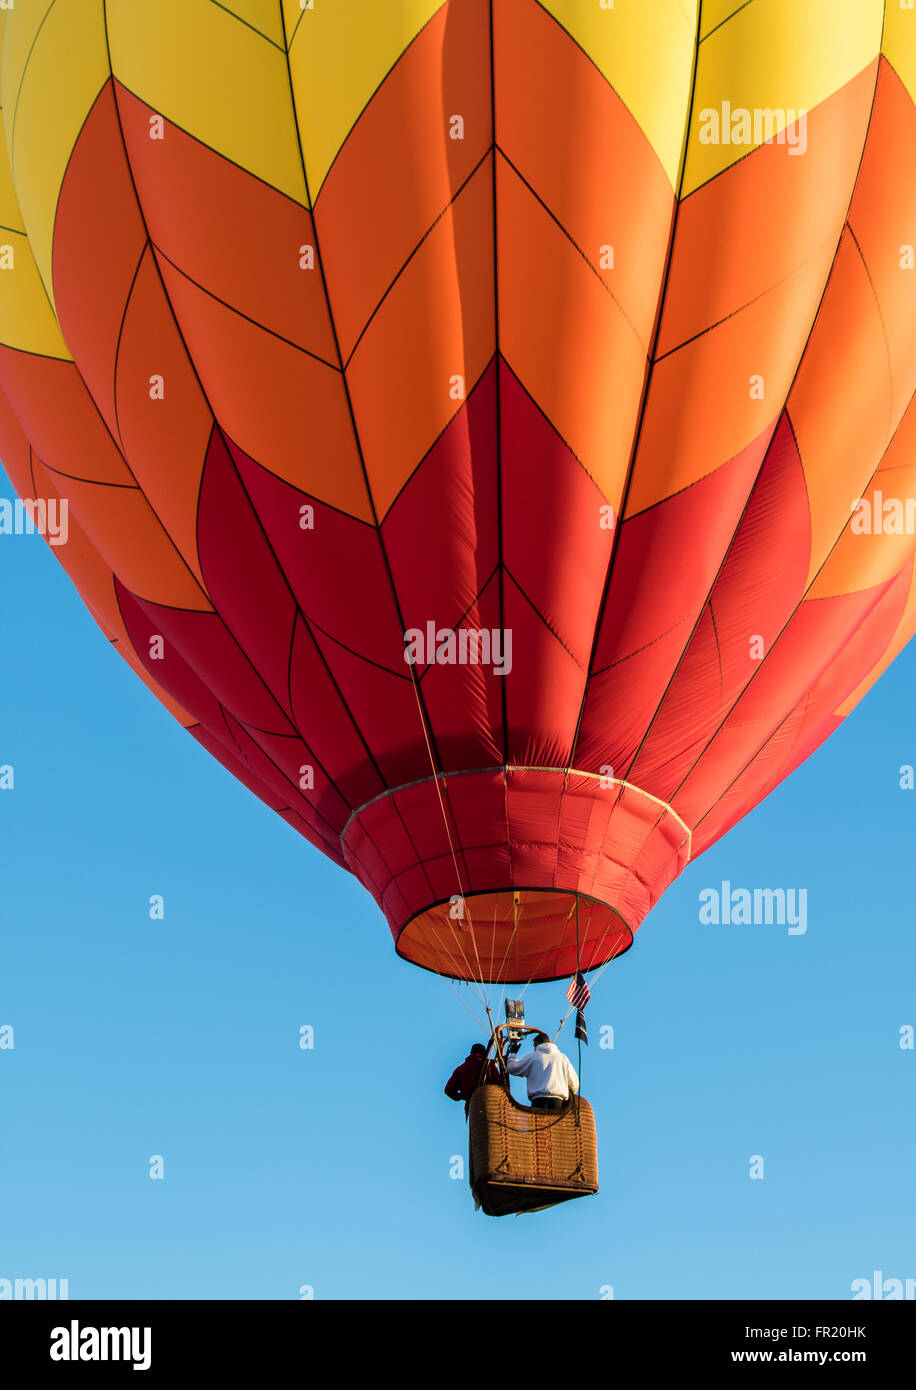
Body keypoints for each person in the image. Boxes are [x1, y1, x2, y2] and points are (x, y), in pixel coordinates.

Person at [506, 1032, 579, 1110]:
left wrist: (513, 1055)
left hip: (538, 1101)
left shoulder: (533, 1057)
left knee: (538, 1122)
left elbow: (512, 1068)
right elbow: (574, 1084)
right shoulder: (563, 1058)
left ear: (537, 1044)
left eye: (534, 1046)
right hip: (558, 1102)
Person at [444, 1043, 502, 1116]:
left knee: (477, 1126)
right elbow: (499, 1087)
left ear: (471, 1053)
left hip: (472, 1109)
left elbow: (448, 1090)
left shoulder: (460, 1069)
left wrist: (463, 1096)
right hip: (491, 1108)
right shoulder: (489, 1066)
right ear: (484, 1053)